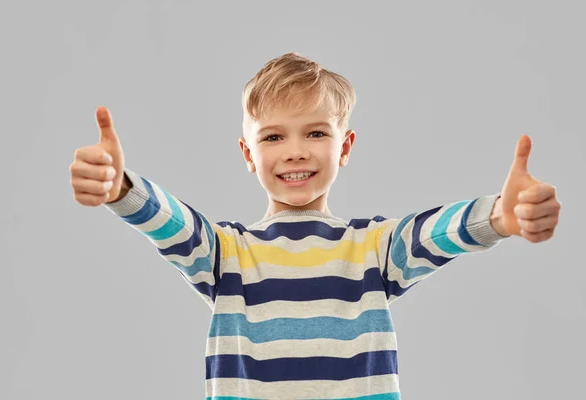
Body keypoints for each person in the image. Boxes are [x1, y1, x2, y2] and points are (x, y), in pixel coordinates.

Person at [69, 52, 561, 399]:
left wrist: (498, 216)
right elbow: (170, 222)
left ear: (344, 147)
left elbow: (435, 232)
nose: (296, 150)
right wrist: (120, 190)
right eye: (274, 136)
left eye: (316, 132)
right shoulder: (225, 254)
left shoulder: (373, 248)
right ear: (248, 154)